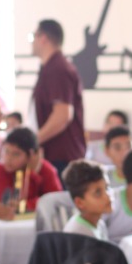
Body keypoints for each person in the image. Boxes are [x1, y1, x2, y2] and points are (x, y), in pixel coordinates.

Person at [30, 19, 85, 175]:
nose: (31, 42)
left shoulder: (58, 69)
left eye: (33, 36)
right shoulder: (51, 67)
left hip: (61, 158)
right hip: (56, 156)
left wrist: (33, 141)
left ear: (43, 38)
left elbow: (62, 115)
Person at [0, 127, 62, 212]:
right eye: (7, 151)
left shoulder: (46, 170)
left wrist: (30, 173)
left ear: (31, 155)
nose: (8, 158)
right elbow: (11, 204)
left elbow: (55, 202)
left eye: (16, 154)